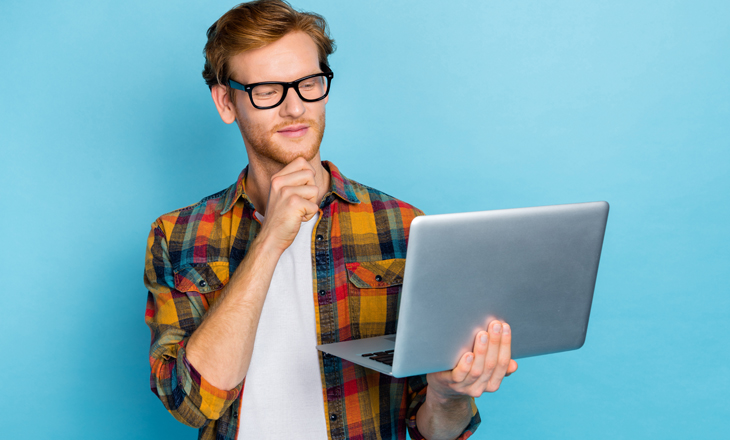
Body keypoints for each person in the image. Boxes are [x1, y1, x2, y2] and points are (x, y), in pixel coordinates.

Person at [143, 1, 518, 439]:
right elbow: (189, 404)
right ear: (227, 102)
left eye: (308, 83)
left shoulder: (403, 228)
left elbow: (432, 431)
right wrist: (270, 240)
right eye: (267, 90)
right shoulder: (178, 236)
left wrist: (450, 395)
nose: (295, 108)